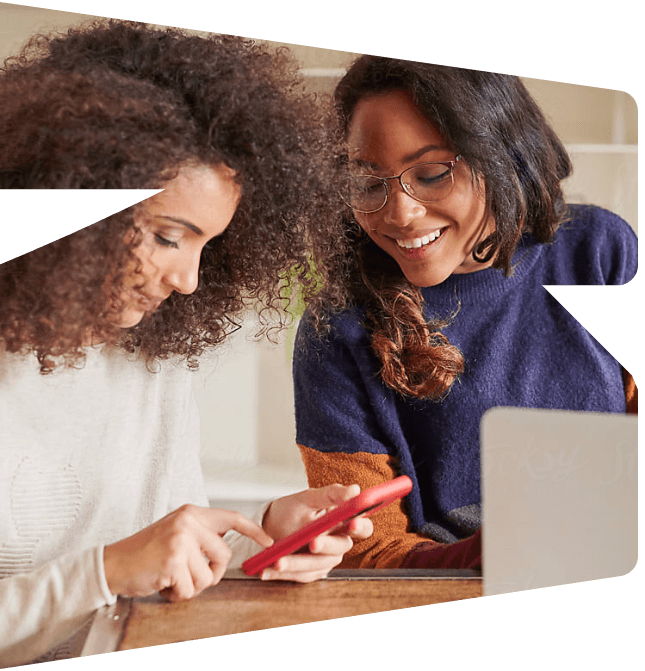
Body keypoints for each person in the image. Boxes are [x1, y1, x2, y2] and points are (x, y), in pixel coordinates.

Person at [0, 21, 372, 667]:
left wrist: (261, 534)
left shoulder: (151, 355)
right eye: (169, 235)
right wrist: (106, 569)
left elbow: (159, 556)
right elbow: (119, 565)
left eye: (209, 243)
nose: (189, 279)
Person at [292, 55, 638, 571]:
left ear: (503, 154)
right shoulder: (335, 329)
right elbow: (368, 549)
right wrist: (484, 557)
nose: (400, 213)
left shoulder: (599, 252)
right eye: (368, 184)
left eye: (431, 174)